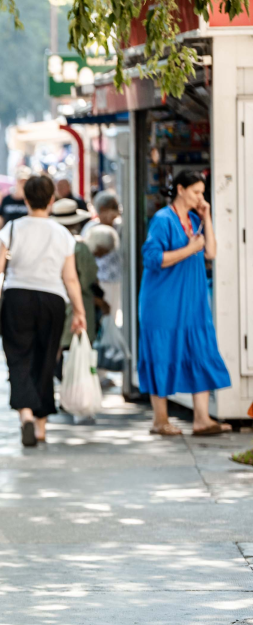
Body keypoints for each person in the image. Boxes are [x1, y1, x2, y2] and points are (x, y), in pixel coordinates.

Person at [0, 175, 87, 447]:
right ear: (52, 200)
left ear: (25, 199)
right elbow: (70, 278)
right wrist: (80, 313)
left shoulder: (13, 229)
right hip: (53, 300)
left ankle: (25, 414)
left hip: (17, 297)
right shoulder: (62, 233)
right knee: (46, 359)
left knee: (18, 357)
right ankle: (40, 427)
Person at [138, 170, 232, 437]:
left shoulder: (194, 219)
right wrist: (190, 249)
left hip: (192, 301)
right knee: (162, 352)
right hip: (163, 302)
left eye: (202, 193)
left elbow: (211, 252)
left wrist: (208, 218)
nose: (200, 198)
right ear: (180, 189)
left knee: (200, 351)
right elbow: (153, 259)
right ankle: (160, 419)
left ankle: (202, 419)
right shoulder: (163, 220)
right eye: (196, 192)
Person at [51, 198, 100, 350]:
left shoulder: (49, 244)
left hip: (52, 303)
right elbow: (87, 279)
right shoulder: (79, 247)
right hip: (76, 306)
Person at [83, 190, 123, 324]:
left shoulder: (121, 227)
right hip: (96, 281)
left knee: (111, 318)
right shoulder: (91, 228)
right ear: (101, 210)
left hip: (114, 281)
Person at [0, 166, 31, 241]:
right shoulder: (6, 199)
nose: (22, 184)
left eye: (25, 181)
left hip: (25, 239)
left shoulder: (31, 200)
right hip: (8, 238)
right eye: (20, 181)